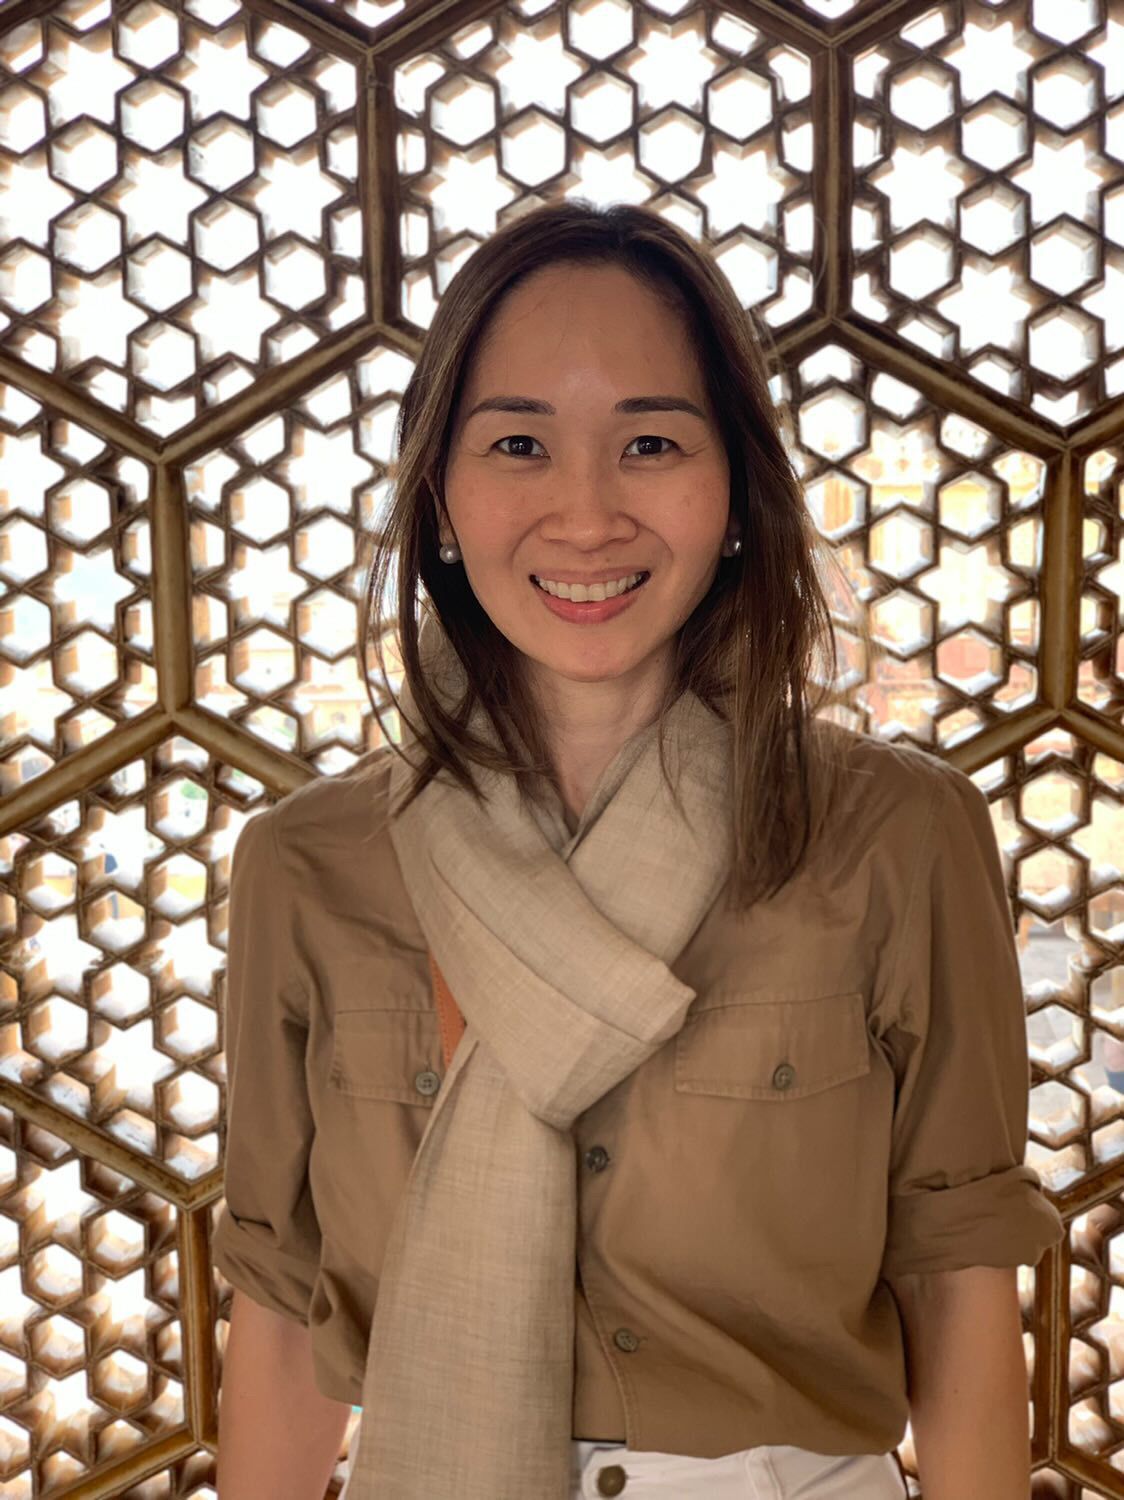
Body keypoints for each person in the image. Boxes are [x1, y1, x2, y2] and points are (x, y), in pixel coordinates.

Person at [213, 200, 1064, 1499]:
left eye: (651, 441)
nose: (588, 513)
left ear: (734, 490)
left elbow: (959, 1282)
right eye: (520, 444)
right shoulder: (308, 865)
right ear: (441, 493)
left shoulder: (895, 838)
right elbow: (281, 1309)